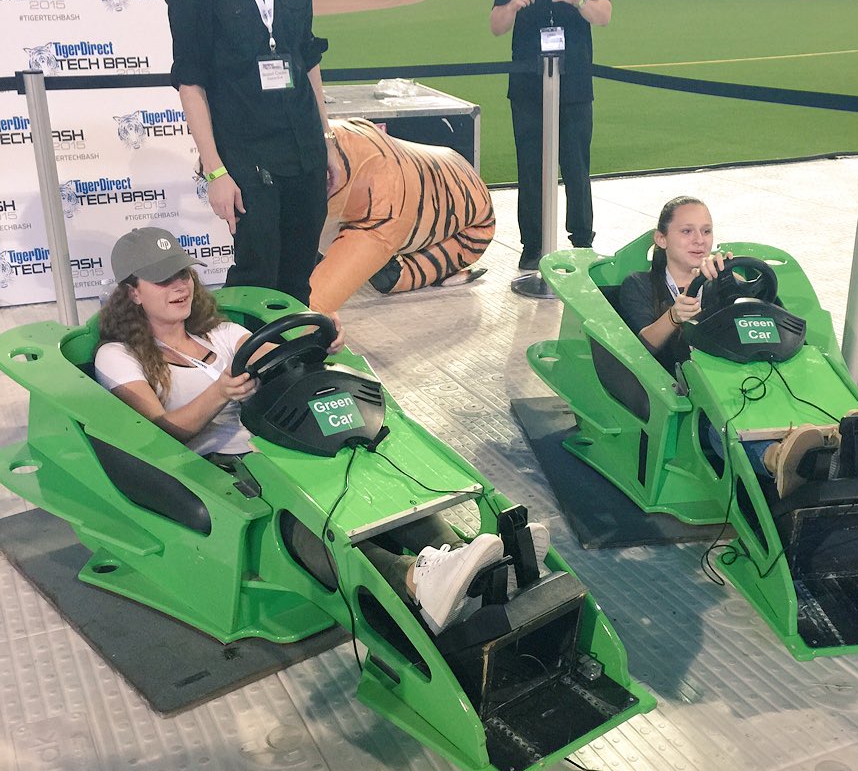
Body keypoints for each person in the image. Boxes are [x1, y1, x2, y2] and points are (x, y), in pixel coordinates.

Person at [94, 227, 545, 635]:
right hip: (221, 468)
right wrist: (220, 393)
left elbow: (287, 358)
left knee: (373, 472)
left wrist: (321, 346)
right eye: (162, 280)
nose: (180, 286)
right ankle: (412, 581)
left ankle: (474, 561)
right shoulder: (118, 356)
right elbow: (158, 434)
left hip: (281, 443)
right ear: (131, 294)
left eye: (183, 274)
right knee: (305, 516)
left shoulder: (224, 333)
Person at [164, 0, 344, 306]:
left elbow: (306, 57)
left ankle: (294, 366)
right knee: (257, 275)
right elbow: (191, 82)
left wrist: (327, 139)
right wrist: (216, 171)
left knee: (300, 273)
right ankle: (252, 373)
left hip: (303, 148)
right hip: (247, 159)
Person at [618, 197, 858, 497]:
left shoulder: (728, 280)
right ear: (661, 239)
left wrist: (735, 286)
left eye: (706, 231)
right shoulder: (639, 285)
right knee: (725, 419)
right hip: (691, 390)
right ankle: (776, 459)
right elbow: (641, 347)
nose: (699, 240)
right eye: (687, 231)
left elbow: (778, 328)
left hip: (750, 377)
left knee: (785, 387)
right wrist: (674, 315)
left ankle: (833, 449)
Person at [490, 0, 612, 272]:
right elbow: (495, 25)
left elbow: (604, 16)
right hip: (527, 86)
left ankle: (581, 243)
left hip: (574, 83)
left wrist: (578, 0)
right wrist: (513, 4)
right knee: (530, 168)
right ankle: (533, 245)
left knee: (576, 167)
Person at [309, 118, 494, 314]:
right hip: (355, 163)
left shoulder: (381, 190)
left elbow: (311, 308)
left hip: (472, 228)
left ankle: (401, 272)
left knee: (388, 267)